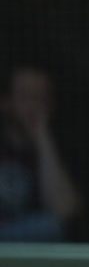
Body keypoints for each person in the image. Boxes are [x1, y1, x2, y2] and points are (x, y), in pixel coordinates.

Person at [0, 66, 81, 242]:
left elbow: (64, 211)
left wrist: (43, 138)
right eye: (24, 97)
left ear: (50, 105)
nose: (32, 106)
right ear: (6, 102)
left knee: (50, 227)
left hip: (29, 247)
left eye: (39, 98)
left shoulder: (62, 147)